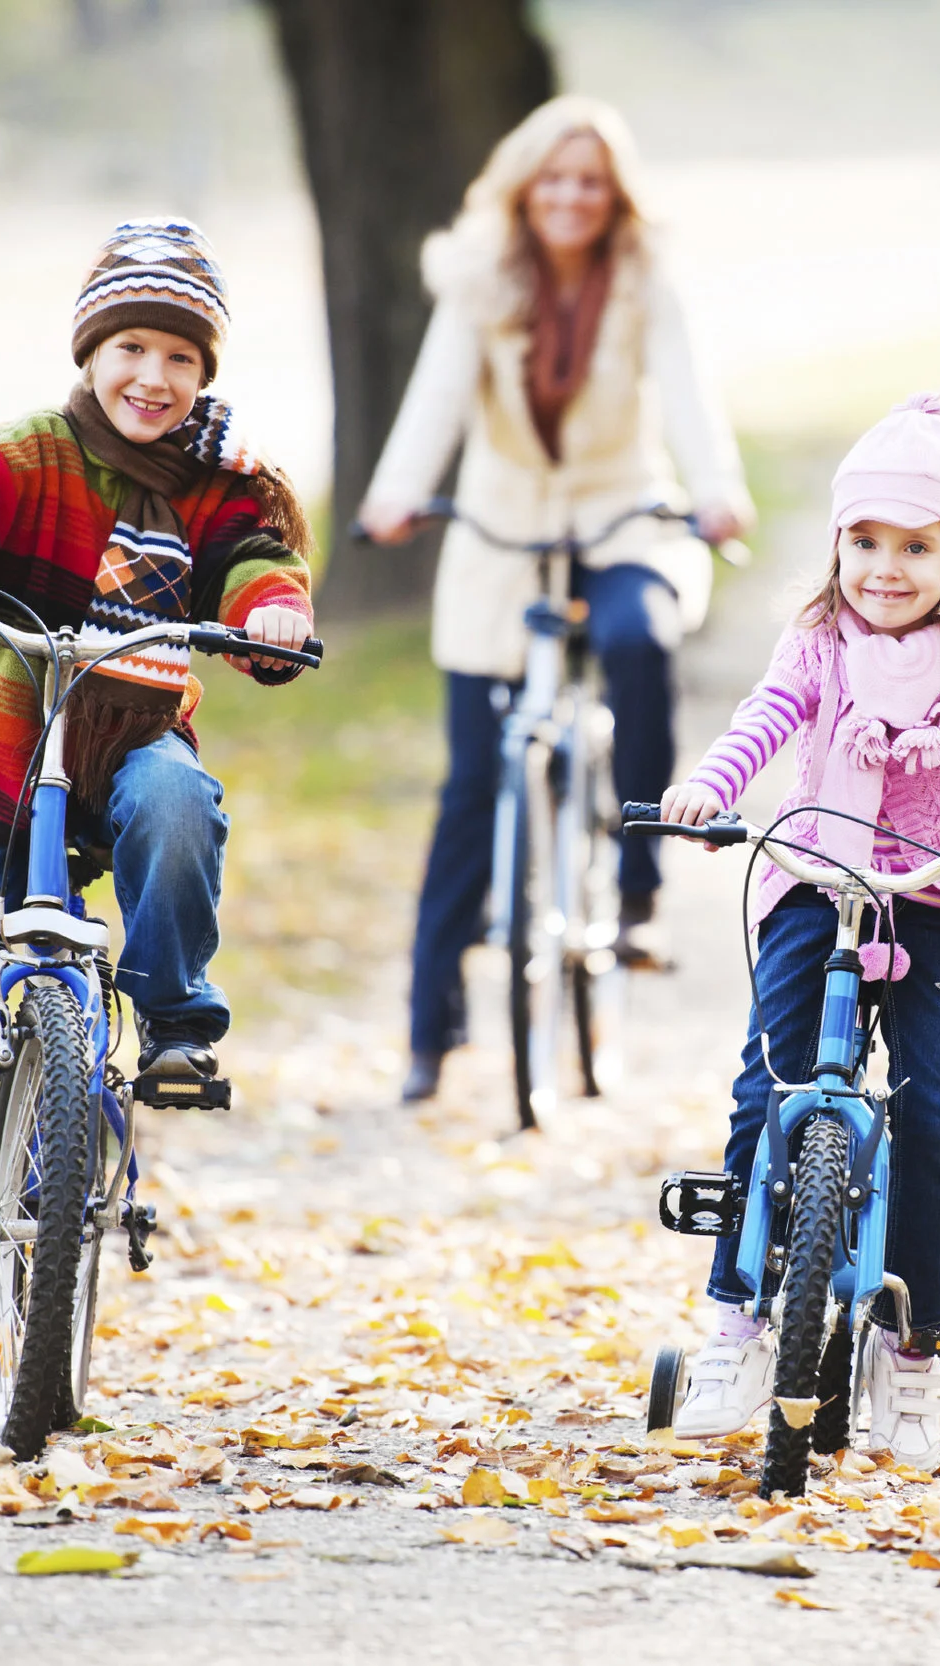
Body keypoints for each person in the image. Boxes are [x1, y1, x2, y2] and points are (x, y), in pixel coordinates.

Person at [0, 218, 317, 1431]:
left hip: (130, 750)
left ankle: (176, 1014)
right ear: (91, 352)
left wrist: (274, 612)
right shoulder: (28, 458)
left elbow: (256, 566)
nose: (153, 377)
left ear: (207, 373)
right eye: (131, 346)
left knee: (181, 802)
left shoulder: (220, 483)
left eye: (181, 358)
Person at [652, 394, 940, 1463]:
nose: (885, 567)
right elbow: (765, 719)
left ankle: (913, 1347)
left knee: (933, 1115)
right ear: (836, 545)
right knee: (767, 1086)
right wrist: (706, 788)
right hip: (813, 876)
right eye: (864, 541)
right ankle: (736, 1317)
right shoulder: (819, 636)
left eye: (914, 545)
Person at [359, 95, 755, 1104]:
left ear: (613, 196)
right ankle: (430, 1029)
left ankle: (638, 887)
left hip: (622, 514)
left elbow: (689, 391)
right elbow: (440, 394)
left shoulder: (644, 281)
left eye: (590, 181)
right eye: (554, 180)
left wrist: (715, 488)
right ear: (523, 190)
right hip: (504, 532)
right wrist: (396, 491)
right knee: (470, 787)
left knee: (638, 640)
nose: (572, 197)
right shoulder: (476, 278)